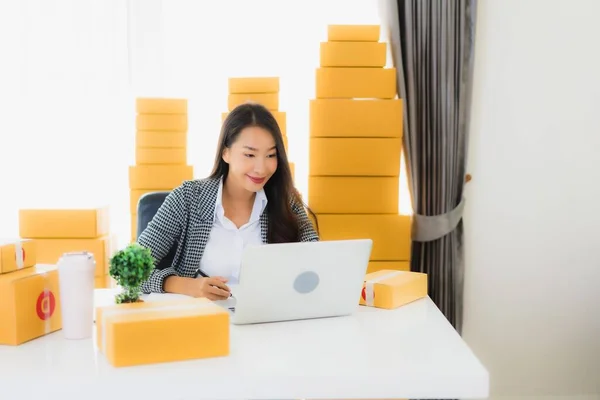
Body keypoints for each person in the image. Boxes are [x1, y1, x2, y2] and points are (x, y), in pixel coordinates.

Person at [137, 102, 319, 299]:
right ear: (226, 153)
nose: (261, 168)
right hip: (203, 321)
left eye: (270, 155)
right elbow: (130, 270)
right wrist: (188, 286)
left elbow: (318, 264)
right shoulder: (188, 197)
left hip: (269, 323)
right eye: (249, 154)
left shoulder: (286, 200)